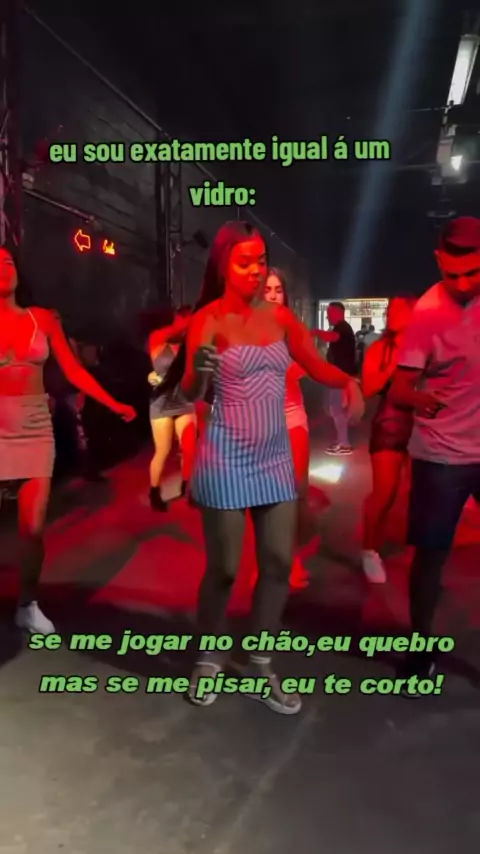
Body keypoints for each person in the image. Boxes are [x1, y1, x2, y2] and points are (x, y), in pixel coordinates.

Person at [158, 221, 364, 714]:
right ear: (223, 265)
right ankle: (210, 656)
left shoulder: (281, 318)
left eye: (261, 261)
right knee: (225, 569)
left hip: (274, 459)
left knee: (277, 563)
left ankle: (259, 662)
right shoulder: (208, 319)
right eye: (244, 262)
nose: (255, 271)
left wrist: (349, 381)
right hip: (225, 457)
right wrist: (196, 373)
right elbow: (186, 394)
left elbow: (315, 364)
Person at [0, 246, 136, 634]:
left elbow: (74, 371)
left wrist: (113, 403)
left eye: (8, 262)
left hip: (34, 429)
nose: (4, 268)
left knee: (32, 529)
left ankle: (27, 605)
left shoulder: (41, 319)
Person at [388, 216, 480, 688]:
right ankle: (420, 648)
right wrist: (420, 398)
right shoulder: (426, 313)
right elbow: (399, 388)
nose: (463, 285)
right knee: (431, 558)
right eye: (452, 275)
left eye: (473, 273)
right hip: (441, 457)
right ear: (438, 261)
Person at [262, 266, 327, 589]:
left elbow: (312, 364)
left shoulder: (292, 329)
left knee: (296, 494)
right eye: (267, 290)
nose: (273, 296)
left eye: (278, 290)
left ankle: (293, 558)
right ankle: (266, 563)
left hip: (291, 418)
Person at [361, 297, 416, 583]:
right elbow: (368, 388)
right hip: (390, 424)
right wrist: (394, 364)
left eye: (399, 310)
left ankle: (420, 552)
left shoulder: (426, 347)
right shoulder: (380, 349)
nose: (392, 314)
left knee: (420, 494)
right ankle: (369, 551)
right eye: (390, 310)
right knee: (384, 494)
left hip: (424, 426)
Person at [148, 308, 197, 510]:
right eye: (184, 320)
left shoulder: (190, 344)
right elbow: (174, 330)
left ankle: (188, 488)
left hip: (184, 401)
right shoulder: (158, 339)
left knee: (189, 448)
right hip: (162, 402)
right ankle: (154, 492)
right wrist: (186, 325)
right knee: (163, 450)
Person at [314, 301, 357, 455]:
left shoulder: (343, 327)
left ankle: (344, 444)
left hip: (340, 377)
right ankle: (341, 441)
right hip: (338, 377)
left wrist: (316, 332)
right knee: (336, 409)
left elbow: (332, 337)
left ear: (337, 313)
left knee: (337, 409)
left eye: (329, 313)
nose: (327, 317)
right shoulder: (342, 327)